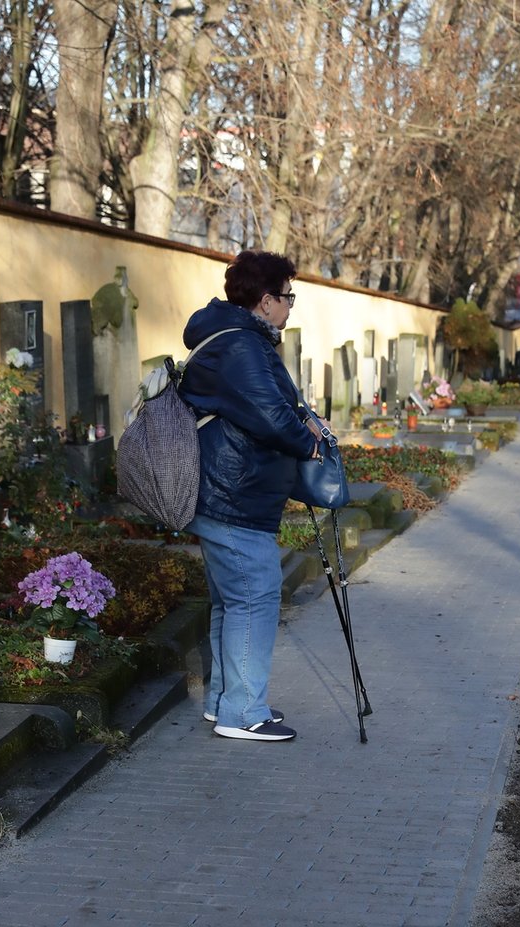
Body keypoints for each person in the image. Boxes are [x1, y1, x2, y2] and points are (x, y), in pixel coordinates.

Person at [179, 250, 322, 743]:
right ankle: (242, 714)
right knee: (255, 600)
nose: (290, 307)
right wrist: (311, 442)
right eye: (288, 297)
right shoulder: (242, 346)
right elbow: (272, 415)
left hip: (228, 494)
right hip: (234, 497)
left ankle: (224, 701)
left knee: (231, 603)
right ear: (265, 301)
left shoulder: (237, 340)